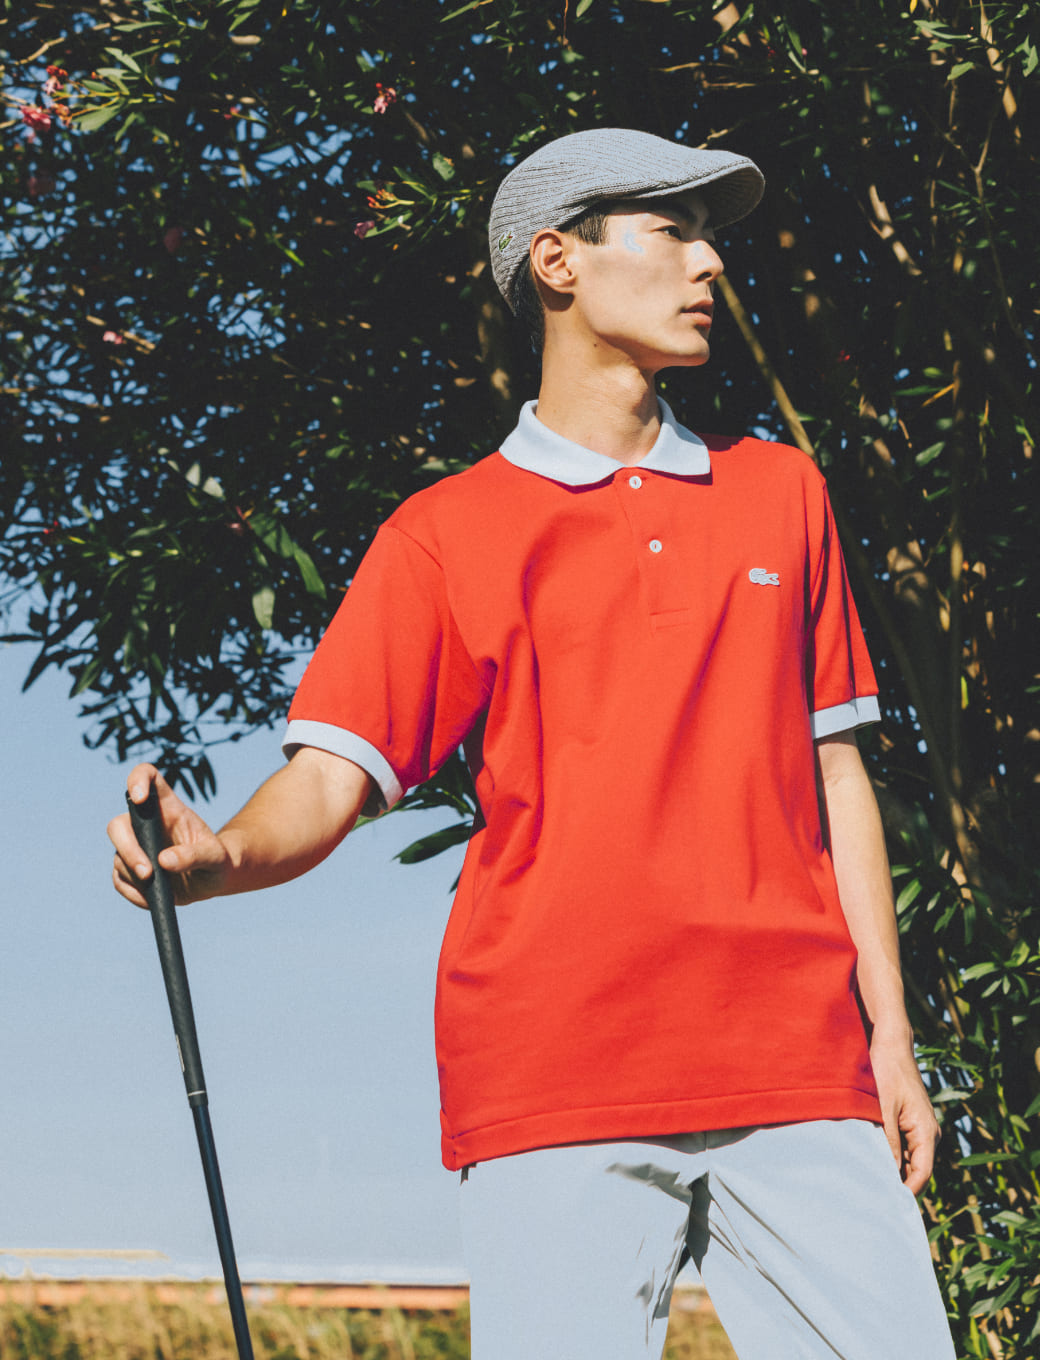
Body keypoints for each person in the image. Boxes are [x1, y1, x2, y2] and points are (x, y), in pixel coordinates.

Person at [110, 128, 956, 1359]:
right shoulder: (442, 533)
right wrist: (219, 855)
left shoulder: (782, 494)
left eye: (705, 236)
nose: (709, 262)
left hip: (797, 1064)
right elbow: (333, 775)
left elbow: (837, 775)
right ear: (557, 261)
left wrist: (889, 1034)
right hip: (554, 1072)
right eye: (671, 232)